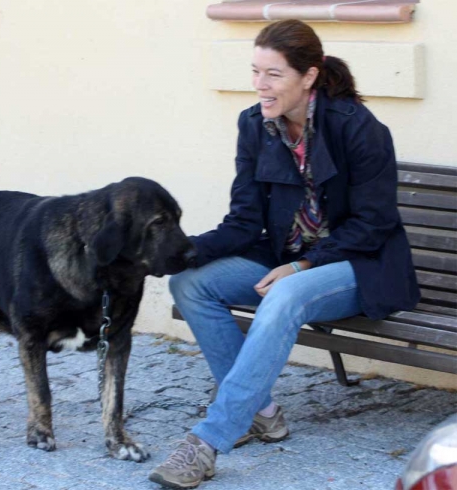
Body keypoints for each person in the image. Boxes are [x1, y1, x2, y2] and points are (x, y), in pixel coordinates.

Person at [148, 19, 420, 489]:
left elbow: (373, 224)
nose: (259, 85)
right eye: (255, 72)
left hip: (358, 266)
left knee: (287, 293)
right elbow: (243, 220)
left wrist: (304, 264)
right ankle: (262, 414)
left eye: (273, 74)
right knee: (191, 284)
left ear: (308, 76)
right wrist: (180, 254)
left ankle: (208, 441)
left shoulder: (358, 128)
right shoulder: (254, 124)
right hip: (284, 261)